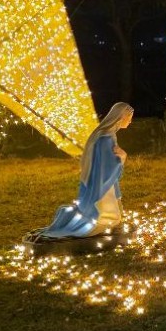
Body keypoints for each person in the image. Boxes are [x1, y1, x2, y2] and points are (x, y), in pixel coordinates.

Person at [36, 102, 134, 238]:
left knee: (116, 216)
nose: (130, 121)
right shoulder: (106, 138)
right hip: (101, 186)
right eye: (129, 117)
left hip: (98, 181)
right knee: (110, 218)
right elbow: (106, 166)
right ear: (121, 117)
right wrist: (122, 158)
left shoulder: (104, 134)